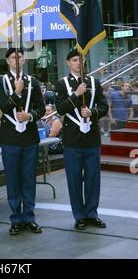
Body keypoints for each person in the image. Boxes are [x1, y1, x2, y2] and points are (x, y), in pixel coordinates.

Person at [55, 48, 109, 230]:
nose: (79, 63)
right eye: (75, 60)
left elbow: (104, 106)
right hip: (72, 140)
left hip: (91, 139)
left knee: (93, 177)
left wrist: (92, 112)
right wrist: (76, 94)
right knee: (74, 179)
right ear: (68, 63)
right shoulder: (62, 84)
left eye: (81, 60)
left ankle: (91, 214)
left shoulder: (94, 82)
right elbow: (61, 108)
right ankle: (79, 216)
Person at [0, 48, 45, 236]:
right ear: (7, 61)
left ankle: (29, 217)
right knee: (13, 180)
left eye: (20, 57)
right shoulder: (0, 81)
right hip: (10, 138)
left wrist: (30, 115)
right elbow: (5, 107)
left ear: (24, 60)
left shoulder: (34, 81)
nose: (17, 60)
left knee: (29, 178)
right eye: (13, 57)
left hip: (29, 136)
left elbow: (40, 107)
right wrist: (17, 92)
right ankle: (16, 218)